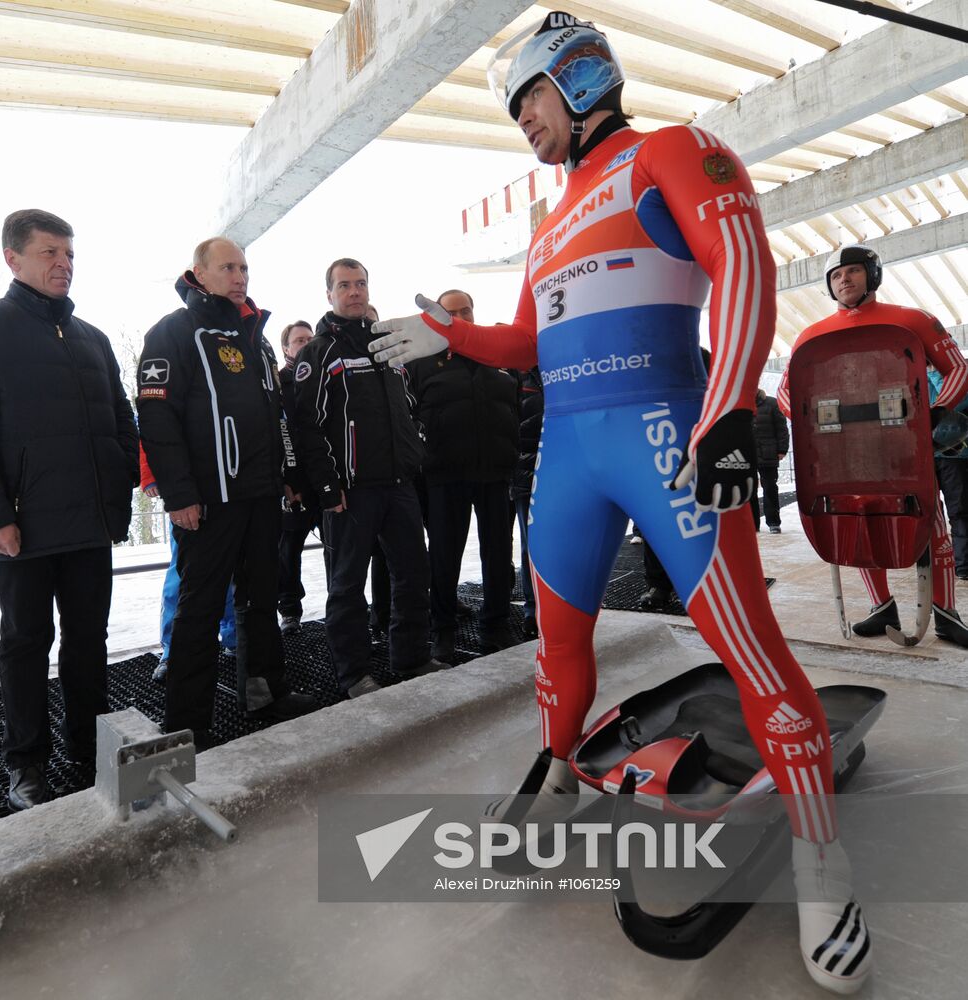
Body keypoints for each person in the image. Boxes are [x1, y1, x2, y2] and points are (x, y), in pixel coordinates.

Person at [369, 14, 870, 992]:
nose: (524, 121)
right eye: (513, 109)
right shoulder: (547, 222)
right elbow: (526, 341)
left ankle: (820, 858)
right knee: (556, 648)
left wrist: (724, 404)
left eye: (532, 99)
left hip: (662, 439)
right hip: (568, 457)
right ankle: (559, 774)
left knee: (747, 648)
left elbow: (743, 266)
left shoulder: (672, 151)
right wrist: (451, 337)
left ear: (582, 79)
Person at [0, 209, 138, 811]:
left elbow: (121, 421)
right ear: (12, 258)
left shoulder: (92, 339)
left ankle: (88, 745)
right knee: (25, 643)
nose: (63, 264)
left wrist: (122, 477)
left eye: (69, 254)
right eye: (49, 253)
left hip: (90, 523)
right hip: (23, 525)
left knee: (89, 642)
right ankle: (25, 761)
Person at [136, 237, 318, 743]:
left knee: (260, 600)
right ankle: (188, 723)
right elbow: (156, 419)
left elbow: (273, 413)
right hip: (208, 500)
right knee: (199, 609)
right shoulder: (173, 332)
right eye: (228, 268)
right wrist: (178, 495)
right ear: (199, 272)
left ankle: (265, 692)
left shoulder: (254, 336)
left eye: (244, 267)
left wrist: (288, 472)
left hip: (260, 494)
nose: (240, 276)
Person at [776, 244, 968, 648]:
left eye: (852, 271)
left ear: (872, 274)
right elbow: (785, 393)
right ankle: (882, 606)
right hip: (846, 453)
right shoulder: (812, 335)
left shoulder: (913, 320)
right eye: (835, 275)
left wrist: (936, 410)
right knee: (857, 522)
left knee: (931, 525)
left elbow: (957, 370)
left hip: (905, 450)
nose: (843, 279)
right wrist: (809, 426)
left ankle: (946, 613)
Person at [291, 258, 448, 699]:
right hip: (350, 492)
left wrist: (414, 452)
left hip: (398, 485)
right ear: (330, 294)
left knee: (414, 574)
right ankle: (354, 673)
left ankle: (412, 656)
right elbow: (306, 425)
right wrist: (327, 486)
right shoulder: (319, 352)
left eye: (360, 284)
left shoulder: (388, 345)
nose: (355, 292)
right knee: (347, 586)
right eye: (345, 285)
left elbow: (411, 407)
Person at [406, 289, 519, 659]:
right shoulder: (421, 362)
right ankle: (443, 631)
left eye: (465, 311)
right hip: (445, 475)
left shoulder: (499, 358)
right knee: (444, 556)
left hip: (495, 472)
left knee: (499, 555)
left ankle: (496, 624)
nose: (459, 318)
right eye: (451, 312)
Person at [140, 446, 236, 680]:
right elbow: (153, 424)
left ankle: (235, 637)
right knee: (183, 574)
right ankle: (174, 649)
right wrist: (149, 474)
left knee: (233, 570)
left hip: (232, 488)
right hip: (189, 492)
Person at [276, 319, 320, 635]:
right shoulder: (279, 384)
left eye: (310, 338)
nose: (306, 343)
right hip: (295, 481)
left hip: (328, 480)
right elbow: (277, 433)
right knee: (288, 551)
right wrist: (288, 479)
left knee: (339, 548)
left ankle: (343, 606)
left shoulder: (325, 375)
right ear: (287, 348)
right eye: (299, 340)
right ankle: (290, 611)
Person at [929, 366, 968, 581]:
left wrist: (935, 373)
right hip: (924, 456)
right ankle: (932, 563)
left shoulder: (959, 376)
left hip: (953, 456)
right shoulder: (911, 373)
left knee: (959, 510)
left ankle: (963, 565)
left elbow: (956, 403)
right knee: (928, 513)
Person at [513, 367, 543, 637]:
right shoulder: (515, 373)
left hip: (565, 472)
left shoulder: (564, 367)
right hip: (526, 472)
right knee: (530, 547)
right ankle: (533, 609)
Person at [752, 387, 789, 533]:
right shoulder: (740, 404)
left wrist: (782, 450)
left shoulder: (772, 403)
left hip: (768, 454)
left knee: (770, 489)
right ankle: (753, 525)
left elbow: (782, 429)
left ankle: (774, 522)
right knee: (750, 491)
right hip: (748, 455)